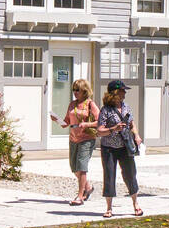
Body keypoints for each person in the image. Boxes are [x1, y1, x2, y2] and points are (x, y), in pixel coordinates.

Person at [95, 80, 143, 217]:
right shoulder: (106, 110)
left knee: (130, 174)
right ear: (115, 93)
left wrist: (137, 136)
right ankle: (109, 208)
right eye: (122, 90)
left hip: (125, 147)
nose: (125, 93)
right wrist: (113, 129)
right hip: (108, 148)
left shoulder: (126, 106)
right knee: (109, 176)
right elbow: (99, 130)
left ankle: (136, 204)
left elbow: (132, 123)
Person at [51, 79, 98, 205]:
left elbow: (100, 121)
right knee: (74, 167)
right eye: (74, 90)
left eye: (78, 90)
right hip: (73, 138)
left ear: (84, 91)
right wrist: (56, 119)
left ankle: (80, 196)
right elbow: (66, 123)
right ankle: (88, 187)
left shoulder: (90, 104)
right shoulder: (72, 104)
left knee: (82, 167)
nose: (75, 92)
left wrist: (87, 124)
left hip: (87, 139)